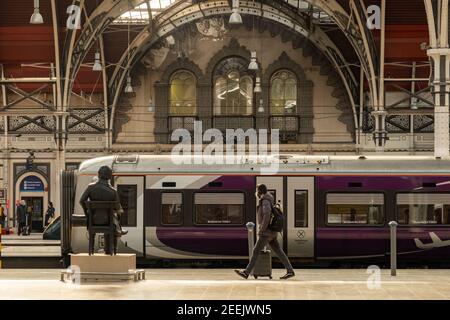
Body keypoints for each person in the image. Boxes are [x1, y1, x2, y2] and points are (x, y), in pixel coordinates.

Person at [235, 184, 295, 280]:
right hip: (271, 232)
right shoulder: (269, 199)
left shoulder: (265, 200)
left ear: (259, 192)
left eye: (257, 190)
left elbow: (267, 215)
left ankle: (246, 272)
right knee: (279, 251)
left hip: (266, 232)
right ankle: (290, 271)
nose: (256, 193)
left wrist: (262, 229)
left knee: (255, 251)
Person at [79, 166, 127, 254]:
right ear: (109, 176)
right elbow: (118, 209)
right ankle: (112, 246)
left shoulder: (90, 187)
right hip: (108, 221)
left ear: (98, 174)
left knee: (113, 218)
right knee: (115, 218)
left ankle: (91, 251)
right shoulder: (113, 191)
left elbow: (81, 201)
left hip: (93, 220)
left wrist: (87, 213)